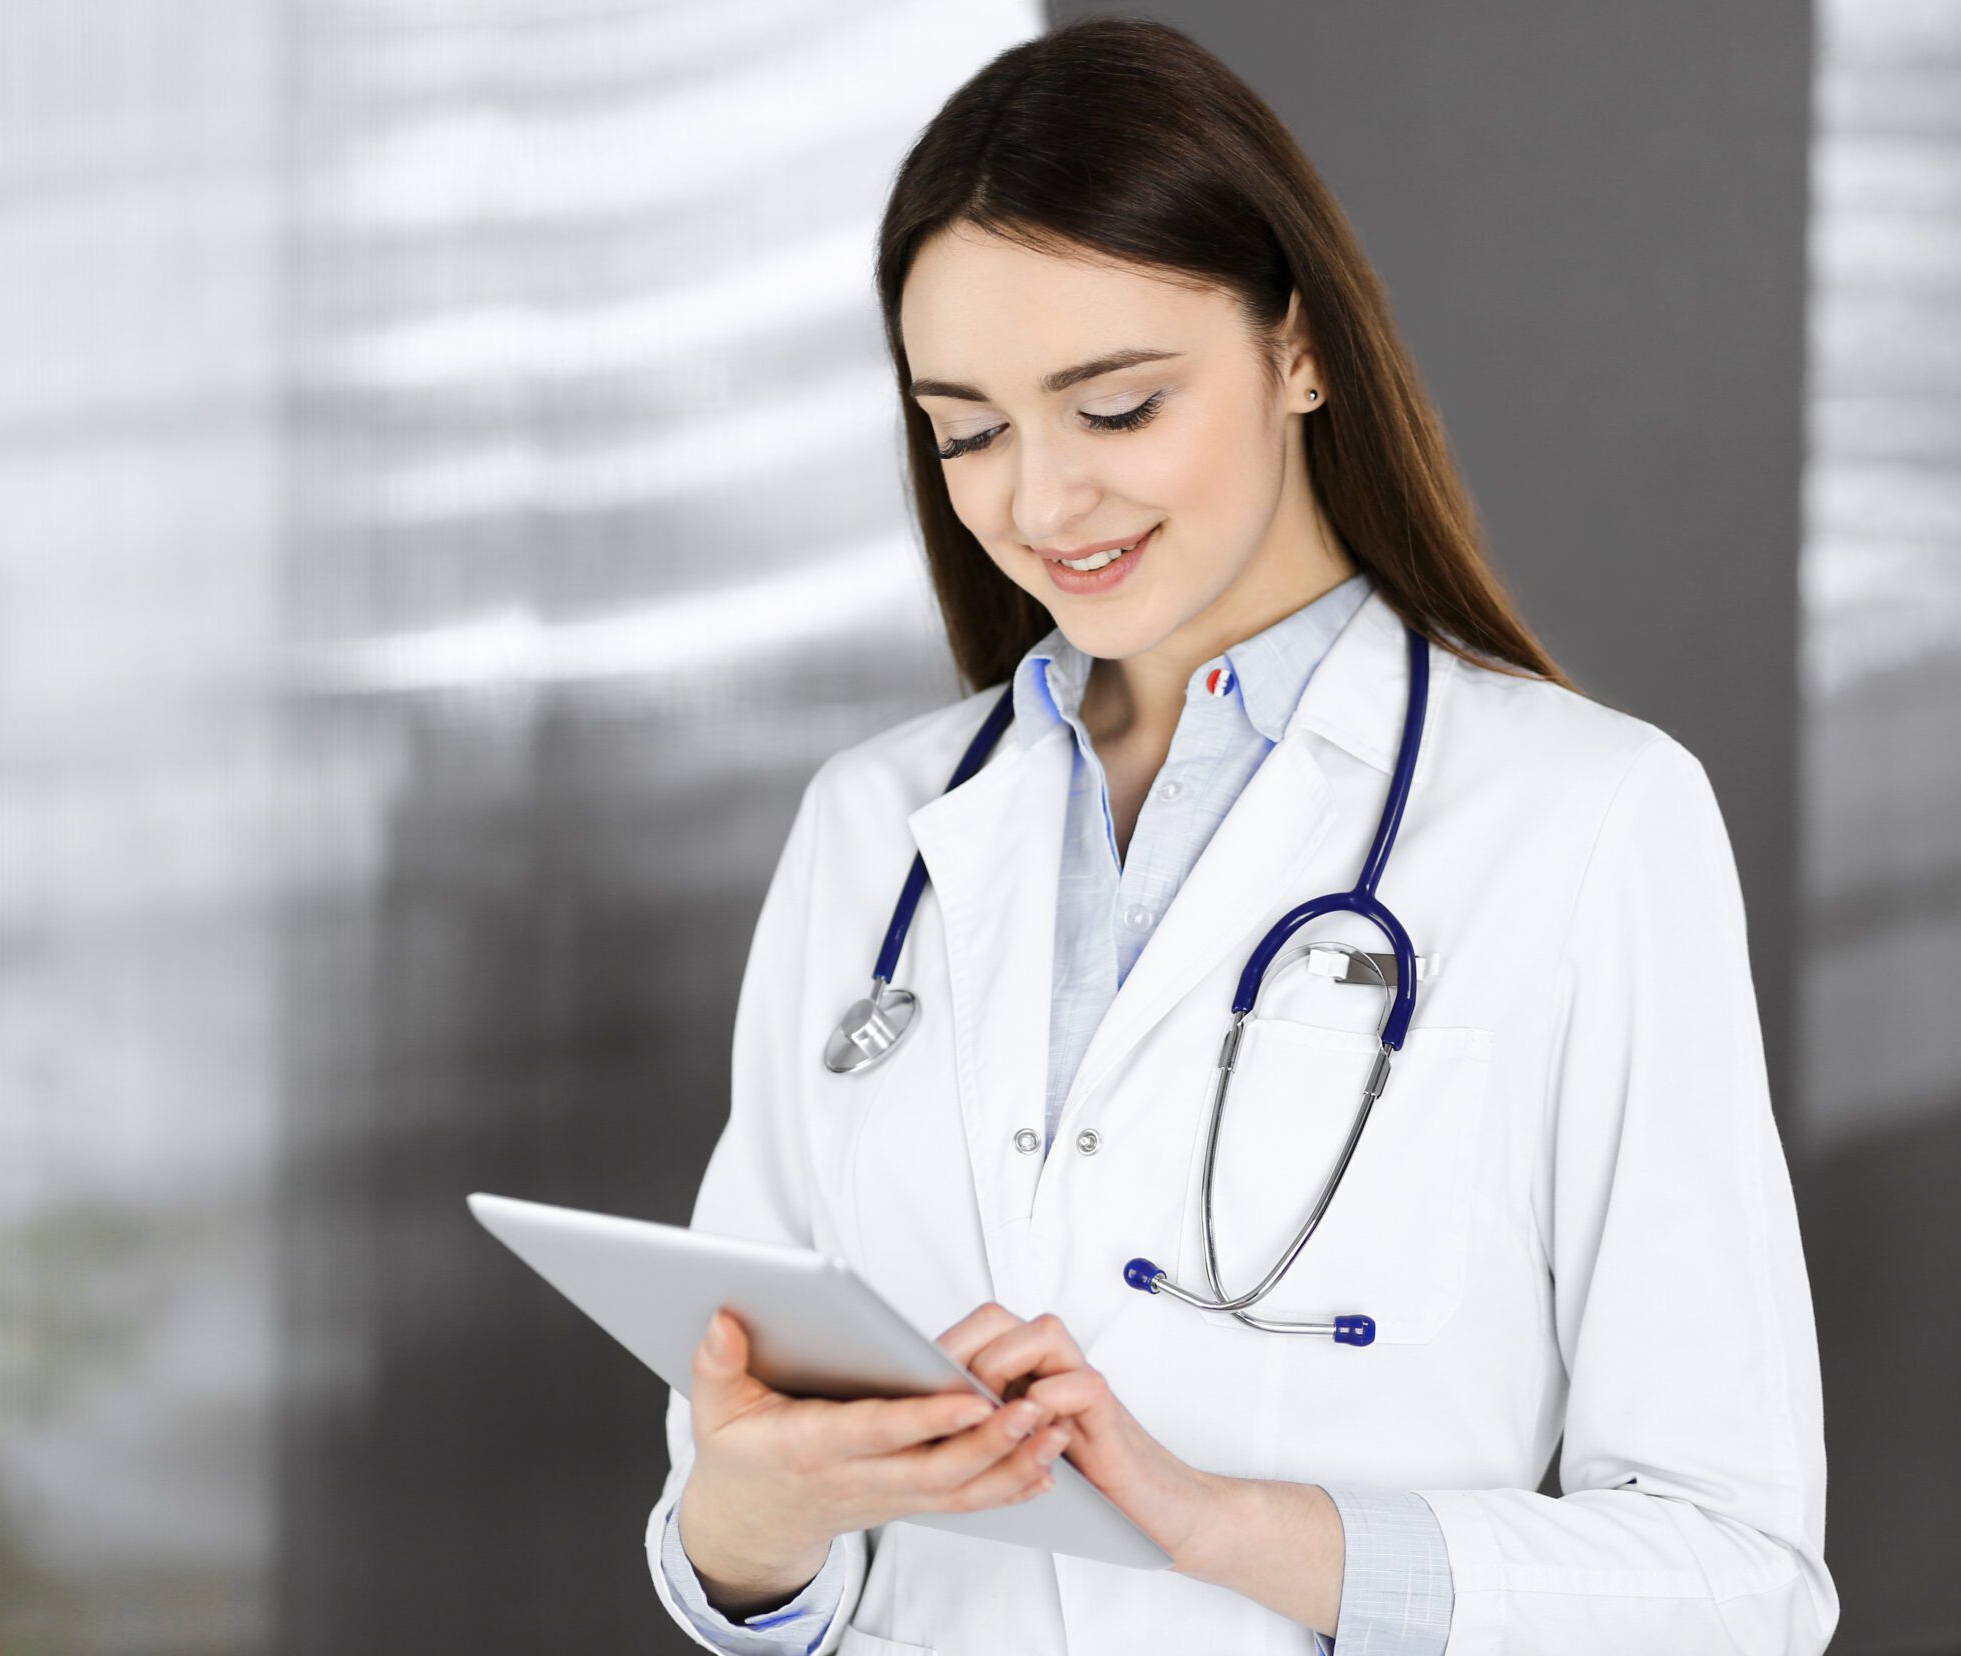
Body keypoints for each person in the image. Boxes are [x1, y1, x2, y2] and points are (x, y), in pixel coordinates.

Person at [642, 16, 1835, 1656]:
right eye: (969, 429)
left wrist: (1229, 1532)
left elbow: (1736, 1578)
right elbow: (745, 1497)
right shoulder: (875, 831)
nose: (1040, 503)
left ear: (1299, 349)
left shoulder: (1589, 821)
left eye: (1115, 407)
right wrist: (743, 1532)